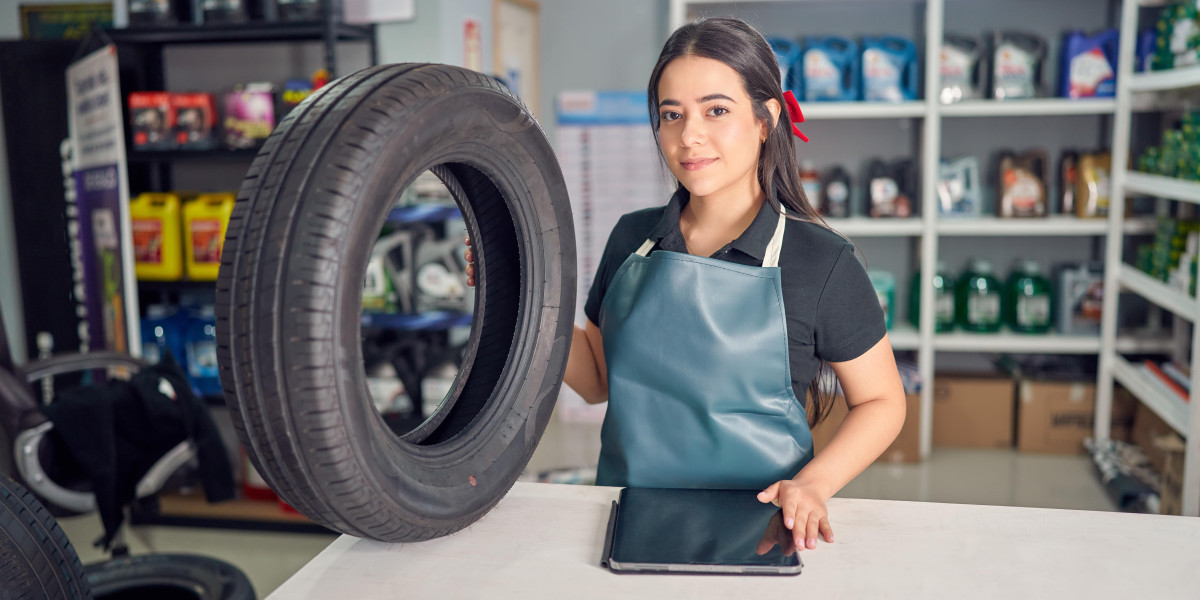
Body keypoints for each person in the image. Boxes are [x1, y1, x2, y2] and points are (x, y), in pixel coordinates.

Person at [466, 17, 905, 553]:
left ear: (767, 118)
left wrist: (815, 484)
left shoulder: (823, 261)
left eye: (716, 110)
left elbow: (883, 400)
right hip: (631, 511)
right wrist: (519, 289)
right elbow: (596, 380)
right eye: (671, 115)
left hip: (766, 522)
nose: (689, 135)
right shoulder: (634, 235)